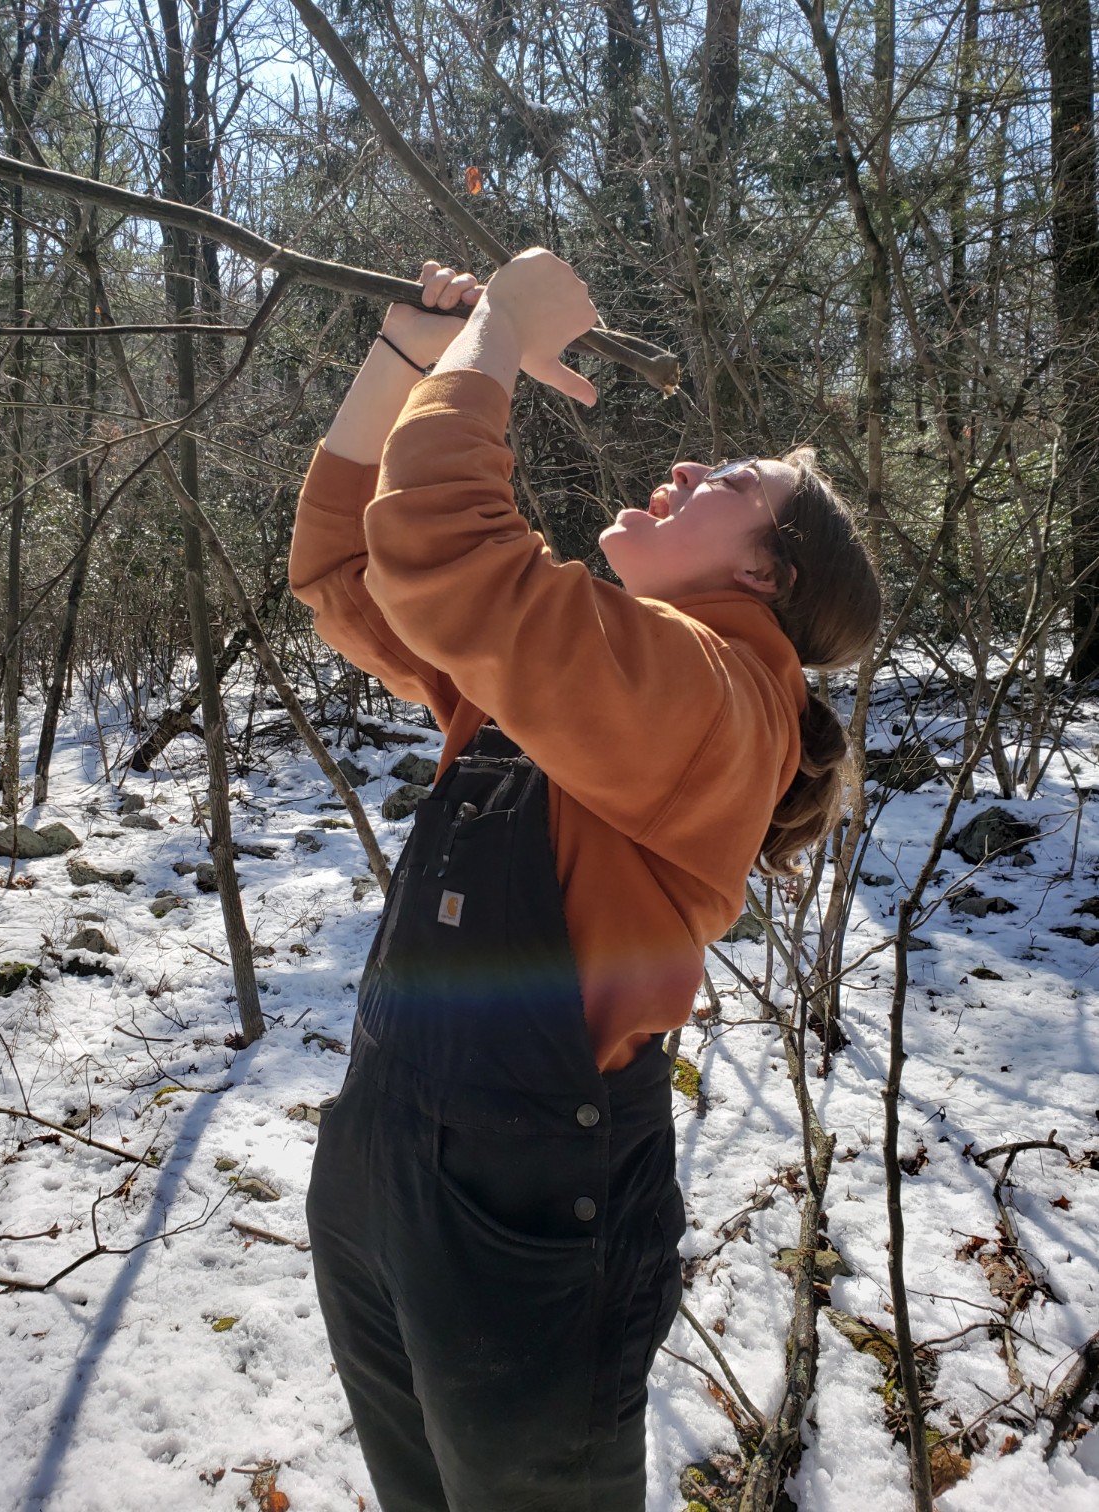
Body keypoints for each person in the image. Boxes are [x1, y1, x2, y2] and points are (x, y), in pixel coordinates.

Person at [289, 250, 882, 1512]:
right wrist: (406, 360)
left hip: (521, 1214)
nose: (679, 471)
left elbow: (448, 546)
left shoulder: (722, 700)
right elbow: (351, 575)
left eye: (724, 482)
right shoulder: (600, 667)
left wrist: (502, 327)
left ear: (769, 574)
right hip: (390, 1158)